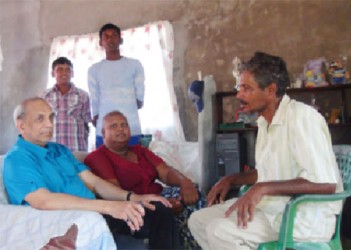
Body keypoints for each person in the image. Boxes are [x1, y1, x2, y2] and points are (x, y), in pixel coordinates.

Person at [187, 52, 343, 250]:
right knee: (198, 220)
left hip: (303, 217)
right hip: (272, 208)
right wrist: (232, 179)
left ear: (271, 90)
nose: (238, 95)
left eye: (247, 88)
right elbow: (268, 172)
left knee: (220, 232)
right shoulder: (264, 123)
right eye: (239, 87)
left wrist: (262, 188)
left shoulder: (302, 118)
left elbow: (326, 184)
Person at [3, 97, 179, 249]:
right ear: (22, 126)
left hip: (96, 211)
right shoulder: (17, 159)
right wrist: (109, 207)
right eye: (40, 119)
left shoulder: (60, 150)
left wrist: (134, 198)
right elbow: (43, 200)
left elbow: (95, 183)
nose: (49, 124)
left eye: (51, 117)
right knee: (123, 232)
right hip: (71, 220)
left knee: (158, 210)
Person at [84, 110, 207, 249]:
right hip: (132, 204)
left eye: (124, 125)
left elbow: (166, 172)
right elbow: (115, 192)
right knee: (165, 210)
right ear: (103, 133)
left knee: (195, 194)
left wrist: (185, 182)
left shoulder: (140, 151)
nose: (120, 129)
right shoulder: (98, 157)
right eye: (113, 126)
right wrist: (158, 200)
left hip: (159, 196)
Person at [88, 23, 145, 149]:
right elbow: (94, 99)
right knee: (104, 167)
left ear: (120, 40)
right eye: (106, 37)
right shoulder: (94, 69)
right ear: (101, 42)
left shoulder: (134, 65)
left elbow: (140, 99)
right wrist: (97, 116)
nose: (110, 39)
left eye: (114, 35)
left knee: (134, 165)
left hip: (131, 128)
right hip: (104, 131)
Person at [41, 56, 91, 151]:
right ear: (53, 73)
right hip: (52, 150)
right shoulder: (44, 96)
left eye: (68, 70)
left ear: (72, 73)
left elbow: (86, 123)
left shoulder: (83, 95)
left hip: (76, 149)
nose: (64, 73)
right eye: (59, 70)